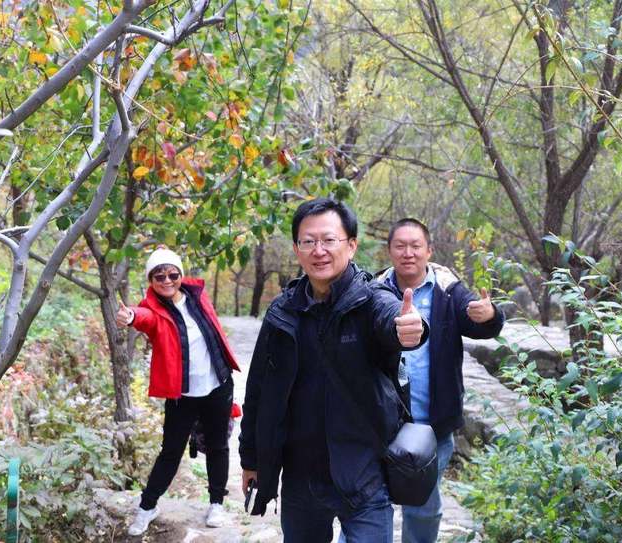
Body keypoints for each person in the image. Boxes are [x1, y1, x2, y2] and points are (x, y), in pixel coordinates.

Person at [238, 198, 428, 543]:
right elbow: (259, 391)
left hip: (363, 477)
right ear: (297, 249)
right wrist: (251, 458)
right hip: (300, 480)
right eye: (308, 241)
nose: (319, 251)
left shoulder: (372, 299)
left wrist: (409, 328)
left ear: (351, 246)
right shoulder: (283, 312)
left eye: (329, 240)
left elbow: (392, 319)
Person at [379, 218, 504, 543]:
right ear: (390, 250)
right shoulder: (375, 290)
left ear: (429, 251)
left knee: (423, 507)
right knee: (372, 504)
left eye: (415, 246)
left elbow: (478, 323)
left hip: (432, 425)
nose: (408, 253)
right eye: (400, 246)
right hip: (381, 425)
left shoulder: (448, 291)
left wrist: (490, 315)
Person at [116, 248, 240, 536]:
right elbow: (144, 318)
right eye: (159, 276)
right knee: (171, 452)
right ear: (151, 280)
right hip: (181, 394)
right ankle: (147, 506)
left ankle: (217, 503)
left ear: (180, 275)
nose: (167, 280)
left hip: (218, 384)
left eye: (172, 274)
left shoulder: (197, 296)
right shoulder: (153, 309)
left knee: (218, 446)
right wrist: (131, 316)